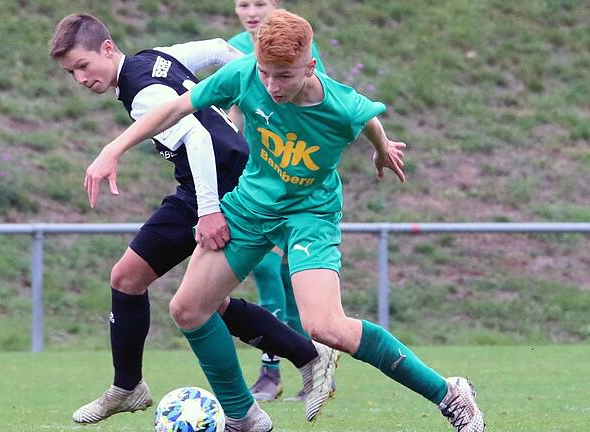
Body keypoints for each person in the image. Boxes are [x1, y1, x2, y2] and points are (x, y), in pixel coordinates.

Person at [84, 9, 486, 432]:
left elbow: (368, 117)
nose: (272, 86)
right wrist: (114, 149)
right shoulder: (244, 75)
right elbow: (174, 109)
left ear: (309, 67)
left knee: (325, 326)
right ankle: (243, 416)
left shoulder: (341, 104)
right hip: (251, 205)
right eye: (266, 74)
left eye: (285, 76)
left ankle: (449, 393)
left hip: (309, 215)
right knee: (188, 309)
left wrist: (382, 148)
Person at [48, 13, 338, 431]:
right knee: (177, 293)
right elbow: (221, 48)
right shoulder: (156, 57)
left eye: (82, 66)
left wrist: (209, 212)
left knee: (154, 289)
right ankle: (299, 361)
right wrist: (250, 87)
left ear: (107, 49)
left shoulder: (142, 91)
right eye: (70, 72)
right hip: (215, 181)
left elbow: (197, 140)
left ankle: (137, 388)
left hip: (218, 189)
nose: (79, 78)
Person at [228, 0, 328, 403]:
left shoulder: (303, 52)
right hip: (252, 184)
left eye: (260, 3)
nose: (251, 11)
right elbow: (232, 103)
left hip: (290, 184)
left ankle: (311, 367)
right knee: (269, 278)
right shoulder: (235, 46)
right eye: (243, 3)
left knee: (289, 287)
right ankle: (273, 373)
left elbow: (316, 115)